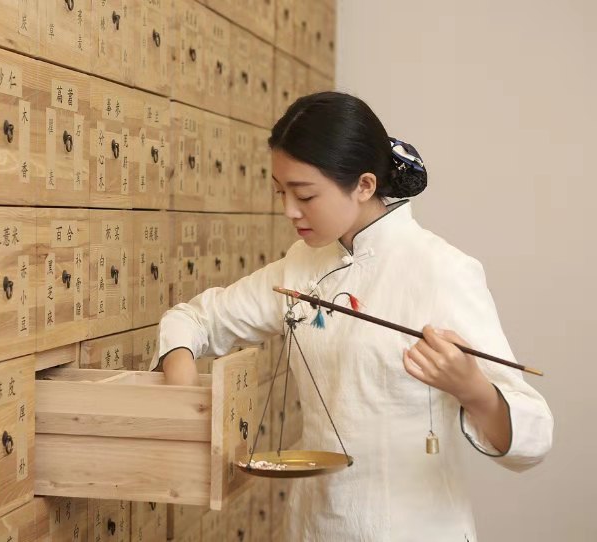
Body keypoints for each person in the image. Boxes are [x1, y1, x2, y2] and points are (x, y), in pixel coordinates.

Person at [150, 92, 553, 541]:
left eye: (305, 195)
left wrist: (472, 388)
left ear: (363, 185)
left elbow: (534, 438)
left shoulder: (441, 271)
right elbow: (195, 319)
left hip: (414, 529)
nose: (289, 210)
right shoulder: (301, 265)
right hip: (316, 524)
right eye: (281, 192)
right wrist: (183, 394)